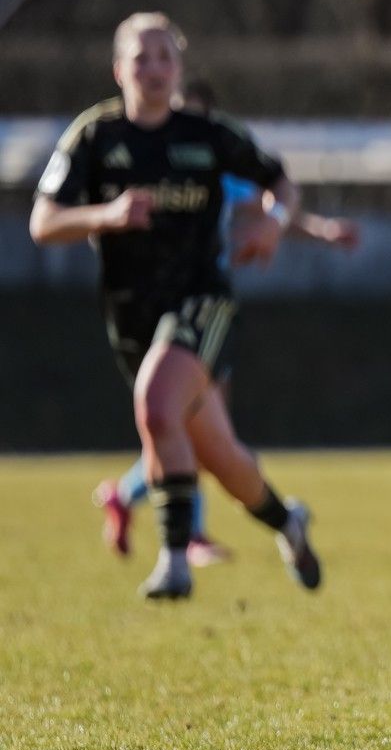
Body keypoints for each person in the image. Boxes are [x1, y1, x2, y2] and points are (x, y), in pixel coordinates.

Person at [31, 13, 323, 601]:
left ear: (180, 69)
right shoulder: (93, 136)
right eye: (142, 57)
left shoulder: (208, 134)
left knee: (156, 404)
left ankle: (174, 562)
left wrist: (274, 225)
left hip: (201, 301)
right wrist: (106, 215)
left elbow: (281, 182)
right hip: (130, 317)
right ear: (119, 70)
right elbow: (43, 222)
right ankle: (288, 522)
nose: (155, 68)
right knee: (221, 457)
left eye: (165, 56)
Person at [92, 79, 360, 566]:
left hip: (204, 314)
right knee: (195, 430)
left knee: (194, 429)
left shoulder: (217, 165)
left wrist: (320, 230)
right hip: (164, 316)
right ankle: (185, 527)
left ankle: (139, 502)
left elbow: (271, 204)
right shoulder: (138, 163)